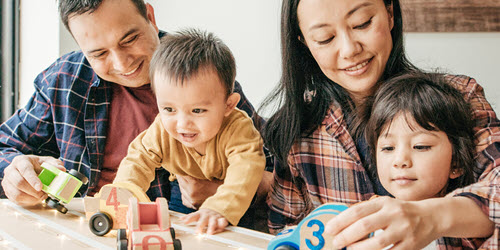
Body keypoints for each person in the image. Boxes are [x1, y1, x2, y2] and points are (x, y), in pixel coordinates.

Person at [0, 0, 273, 223]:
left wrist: (226, 195)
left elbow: (278, 172)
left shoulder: (200, 76)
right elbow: (4, 146)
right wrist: (15, 173)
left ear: (150, 16)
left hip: (176, 228)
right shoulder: (63, 81)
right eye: (98, 54)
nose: (121, 63)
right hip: (85, 226)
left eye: (129, 39)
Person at [262, 0, 499, 248]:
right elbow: (281, 233)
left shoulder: (458, 98)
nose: (349, 49)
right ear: (304, 43)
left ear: (389, 13)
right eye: (325, 38)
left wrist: (433, 217)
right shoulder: (298, 128)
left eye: (361, 23)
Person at [113, 29, 266, 235]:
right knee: (177, 233)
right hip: (181, 194)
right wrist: (123, 192)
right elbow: (137, 159)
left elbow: (246, 168)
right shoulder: (162, 130)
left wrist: (219, 208)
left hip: (235, 199)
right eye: (169, 109)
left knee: (227, 235)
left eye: (197, 110)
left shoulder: (238, 128)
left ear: (228, 105)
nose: (183, 123)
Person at [359, 72, 488, 247]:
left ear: (456, 163)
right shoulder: (368, 225)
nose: (400, 160)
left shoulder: (473, 232)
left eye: (420, 146)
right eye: (388, 148)